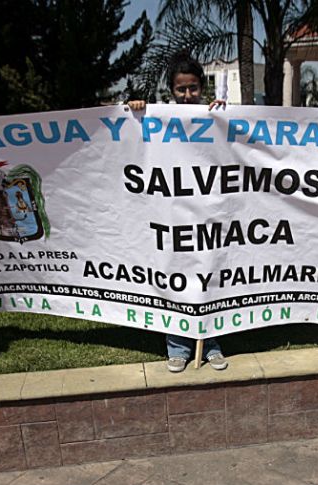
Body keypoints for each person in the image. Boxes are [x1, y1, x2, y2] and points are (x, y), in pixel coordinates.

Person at [127, 51, 228, 373]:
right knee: (176, 276)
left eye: (194, 88)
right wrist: (136, 110)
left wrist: (226, 116)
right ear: (171, 90)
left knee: (211, 277)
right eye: (181, 89)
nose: (188, 95)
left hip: (210, 214)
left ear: (202, 87)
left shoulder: (216, 115)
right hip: (172, 215)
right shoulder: (159, 117)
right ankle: (177, 346)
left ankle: (211, 343)